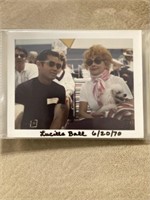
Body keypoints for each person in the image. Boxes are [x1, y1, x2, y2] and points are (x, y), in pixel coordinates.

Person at [79, 44, 133, 119]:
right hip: (97, 123)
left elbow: (130, 103)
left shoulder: (117, 80)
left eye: (97, 61)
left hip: (118, 121)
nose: (93, 64)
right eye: (89, 62)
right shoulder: (85, 86)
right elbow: (81, 113)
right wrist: (94, 117)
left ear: (106, 63)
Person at [15, 49, 66, 129]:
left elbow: (58, 119)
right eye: (51, 64)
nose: (55, 68)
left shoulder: (60, 90)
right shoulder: (23, 89)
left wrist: (48, 139)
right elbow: (18, 118)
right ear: (39, 64)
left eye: (58, 66)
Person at [54, 53, 75, 125]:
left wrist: (66, 93)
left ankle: (63, 124)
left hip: (65, 97)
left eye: (60, 60)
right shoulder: (51, 73)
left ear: (63, 62)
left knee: (66, 99)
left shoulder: (67, 74)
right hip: (52, 97)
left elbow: (71, 87)